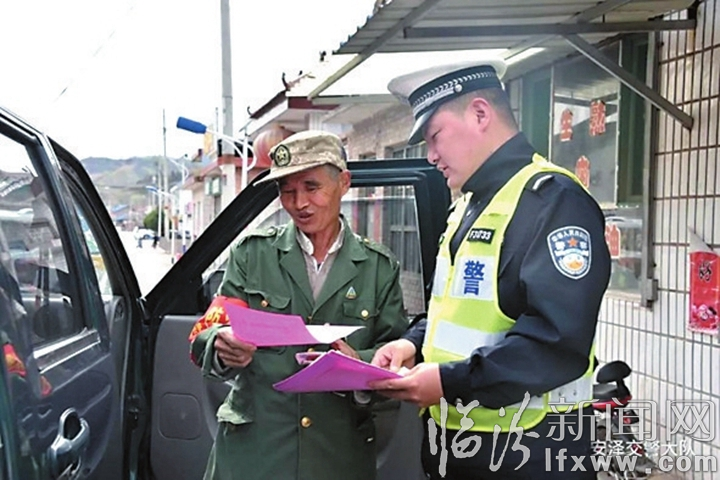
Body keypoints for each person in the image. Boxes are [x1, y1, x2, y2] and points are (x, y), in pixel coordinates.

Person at [370, 58, 611, 479]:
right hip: (459, 450)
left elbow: (557, 341)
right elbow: (455, 311)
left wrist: (447, 382)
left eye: (435, 136)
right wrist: (412, 344)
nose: (431, 156)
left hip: (531, 455)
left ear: (480, 114)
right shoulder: (467, 206)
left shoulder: (553, 201)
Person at [189, 130, 408, 480]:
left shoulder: (378, 267)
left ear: (344, 183)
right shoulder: (252, 254)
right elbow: (206, 333)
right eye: (287, 191)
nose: (299, 203)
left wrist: (357, 363)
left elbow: (398, 358)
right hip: (254, 455)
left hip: (336, 457)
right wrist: (221, 345)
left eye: (311, 187)